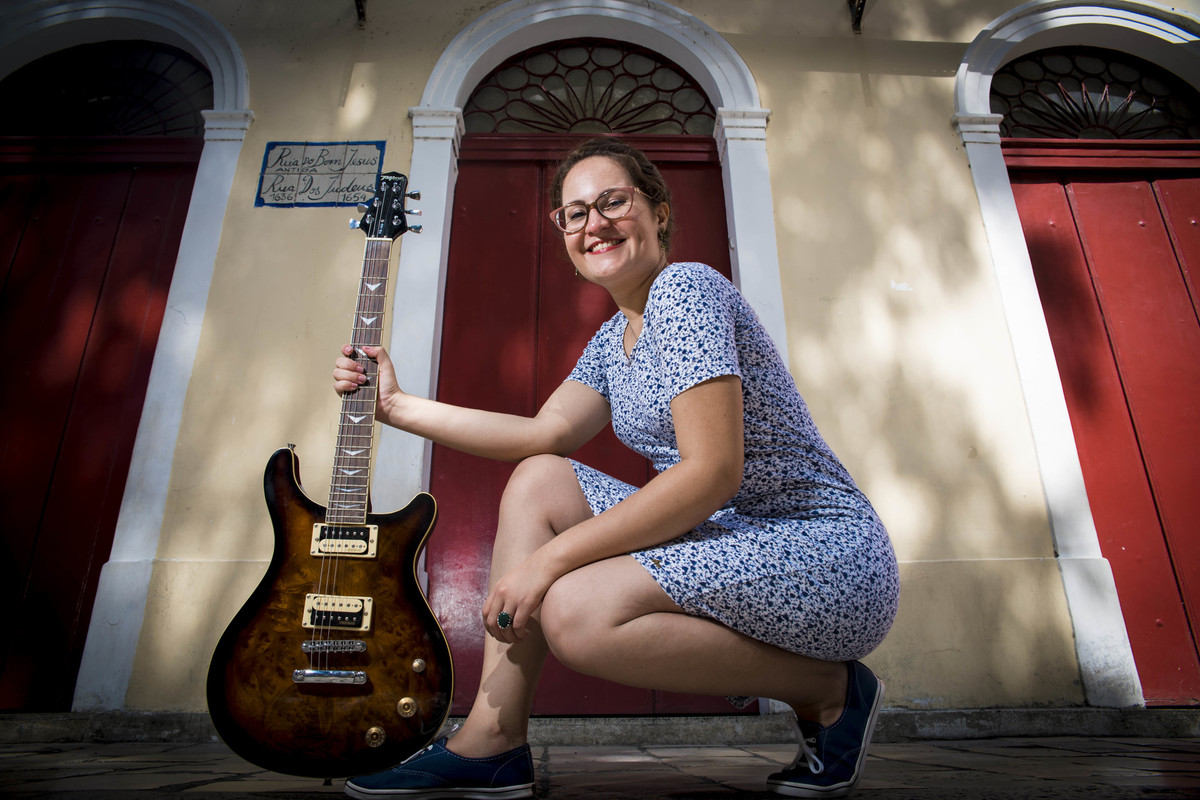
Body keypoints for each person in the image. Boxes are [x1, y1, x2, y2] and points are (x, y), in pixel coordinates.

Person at [333, 137, 900, 799]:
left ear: (659, 211)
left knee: (574, 609)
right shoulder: (612, 339)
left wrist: (547, 563)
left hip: (822, 552)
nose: (593, 224)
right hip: (729, 542)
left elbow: (710, 473)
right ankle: (492, 738)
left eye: (612, 202)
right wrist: (395, 406)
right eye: (574, 213)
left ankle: (834, 690)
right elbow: (539, 434)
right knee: (542, 475)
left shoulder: (686, 291)